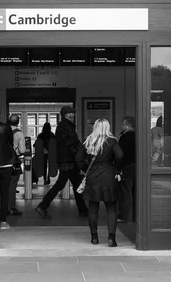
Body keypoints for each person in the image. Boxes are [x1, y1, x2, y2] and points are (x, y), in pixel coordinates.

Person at [77, 118, 124, 247]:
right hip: (108, 175)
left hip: (92, 176)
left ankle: (94, 238)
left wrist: (87, 169)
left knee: (93, 207)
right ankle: (111, 238)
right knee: (111, 208)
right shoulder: (112, 141)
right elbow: (120, 155)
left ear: (95, 127)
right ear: (107, 127)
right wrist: (116, 169)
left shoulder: (88, 140)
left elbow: (78, 158)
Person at [35, 106, 88, 219]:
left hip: (68, 160)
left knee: (76, 185)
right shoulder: (65, 126)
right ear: (67, 115)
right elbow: (71, 143)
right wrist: (79, 155)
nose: (74, 115)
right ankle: (42, 206)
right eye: (72, 113)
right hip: (69, 160)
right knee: (62, 184)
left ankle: (83, 210)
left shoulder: (64, 126)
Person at [0, 106, 15, 230]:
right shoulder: (7, 127)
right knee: (5, 194)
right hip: (5, 165)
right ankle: (3, 221)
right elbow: (11, 143)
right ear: (0, 115)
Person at [117, 116, 136, 223]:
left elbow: (120, 155)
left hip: (127, 167)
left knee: (125, 192)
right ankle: (136, 215)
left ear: (128, 125)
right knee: (135, 192)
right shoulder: (139, 135)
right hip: (138, 167)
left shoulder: (125, 137)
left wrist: (118, 169)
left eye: (123, 124)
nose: (121, 126)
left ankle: (124, 216)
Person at [7, 114, 25, 216]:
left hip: (1, 161)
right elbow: (22, 150)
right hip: (13, 162)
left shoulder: (3, 130)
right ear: (18, 122)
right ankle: (11, 208)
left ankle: (3, 207)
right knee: (12, 185)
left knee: (3, 185)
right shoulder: (19, 134)